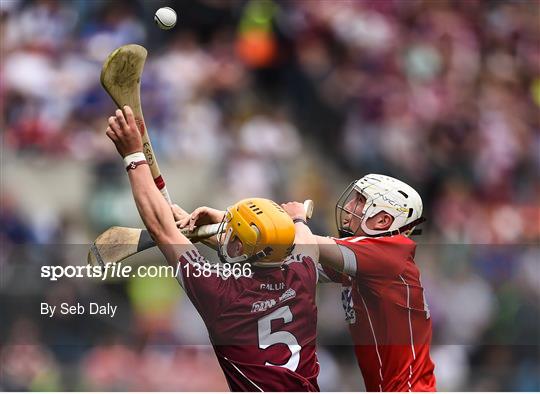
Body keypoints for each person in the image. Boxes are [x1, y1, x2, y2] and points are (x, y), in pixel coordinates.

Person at [105, 106, 320, 391]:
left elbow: (160, 227)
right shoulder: (303, 273)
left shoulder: (223, 294)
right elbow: (302, 238)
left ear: (242, 247)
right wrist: (296, 218)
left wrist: (133, 156)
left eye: (232, 234)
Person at [282, 174, 436, 392]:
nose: (349, 206)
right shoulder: (366, 261)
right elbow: (291, 260)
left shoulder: (387, 254)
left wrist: (297, 220)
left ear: (383, 221)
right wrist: (229, 225)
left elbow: (304, 246)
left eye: (361, 201)